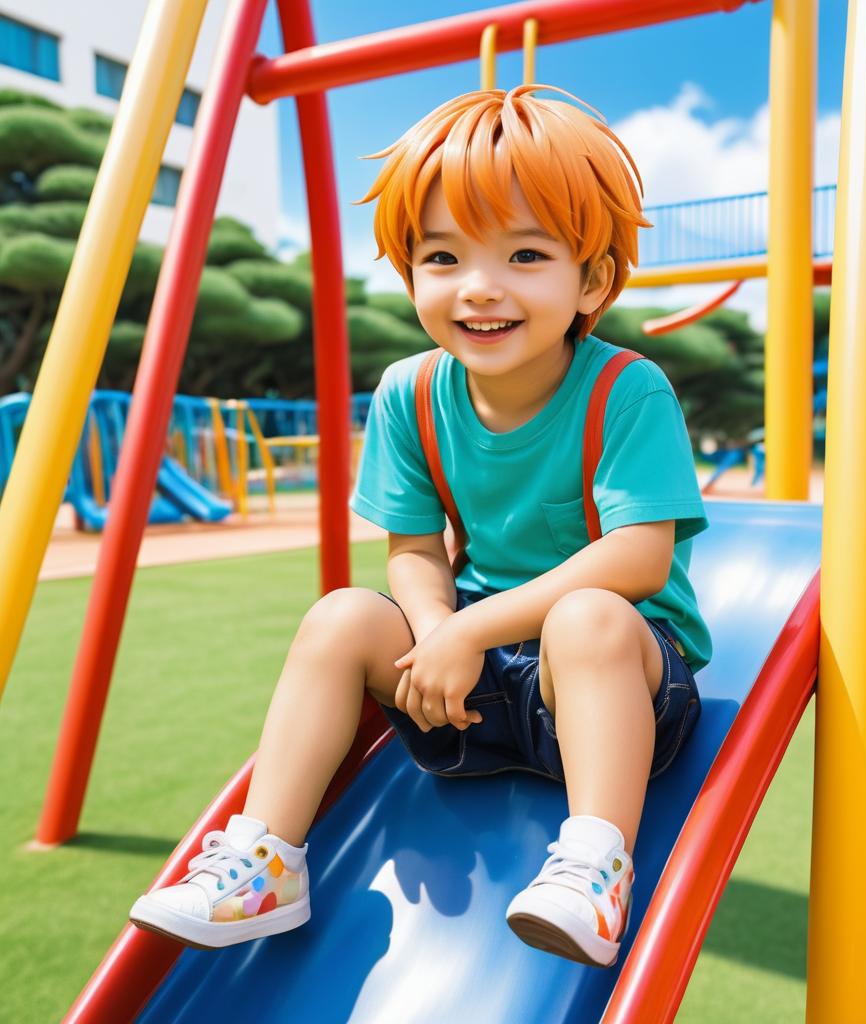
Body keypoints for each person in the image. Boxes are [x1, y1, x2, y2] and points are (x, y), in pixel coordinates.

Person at [129, 84, 711, 969]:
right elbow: (412, 550)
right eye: (443, 256)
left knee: (584, 616)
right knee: (341, 616)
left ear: (590, 278)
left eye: (524, 254)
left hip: (611, 687)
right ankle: (265, 860)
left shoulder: (625, 389)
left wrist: (470, 626)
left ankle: (595, 862)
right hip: (472, 690)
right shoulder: (408, 392)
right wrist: (439, 633)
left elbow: (636, 556)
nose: (480, 288)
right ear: (408, 274)